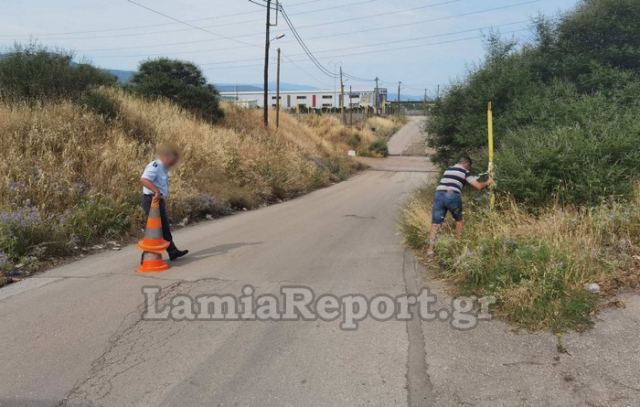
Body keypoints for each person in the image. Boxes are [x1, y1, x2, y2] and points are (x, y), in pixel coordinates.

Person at [427, 156, 494, 256]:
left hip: (439, 194)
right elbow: (478, 186)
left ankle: (430, 250)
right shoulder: (465, 172)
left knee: (435, 223)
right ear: (467, 164)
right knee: (459, 221)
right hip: (452, 195)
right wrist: (488, 182)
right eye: (469, 167)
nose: (469, 169)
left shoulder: (448, 170)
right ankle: (457, 246)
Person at [140, 146, 189, 261]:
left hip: (158, 200)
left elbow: (161, 185)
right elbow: (144, 179)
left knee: (165, 228)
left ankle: (173, 251)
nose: (173, 163)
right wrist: (156, 191)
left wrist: (162, 199)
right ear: (167, 157)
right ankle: (146, 258)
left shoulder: (164, 168)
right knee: (154, 230)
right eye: (172, 160)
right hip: (151, 200)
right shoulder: (156, 166)